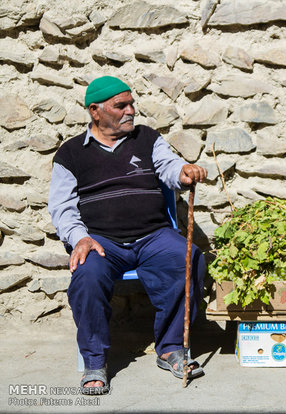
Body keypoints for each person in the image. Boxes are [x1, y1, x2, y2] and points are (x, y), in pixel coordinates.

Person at [48, 76, 207, 395]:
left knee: (187, 258)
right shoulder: (70, 154)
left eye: (132, 103)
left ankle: (170, 348)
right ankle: (95, 361)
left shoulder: (147, 139)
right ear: (95, 111)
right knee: (87, 274)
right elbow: (62, 206)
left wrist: (183, 172)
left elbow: (168, 166)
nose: (131, 110)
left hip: (153, 236)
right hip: (102, 241)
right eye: (121, 105)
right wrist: (79, 237)